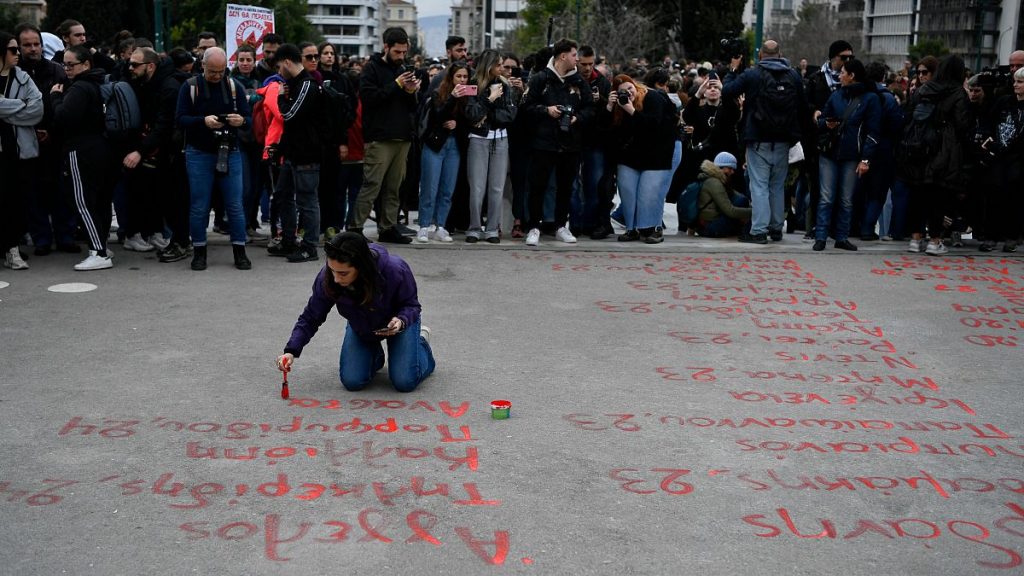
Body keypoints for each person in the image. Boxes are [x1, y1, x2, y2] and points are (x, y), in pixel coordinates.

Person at [277, 232, 435, 393]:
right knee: (352, 381)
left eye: (343, 273)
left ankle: (420, 343)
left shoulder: (395, 268)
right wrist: (291, 351)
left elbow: (412, 305)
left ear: (362, 267)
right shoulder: (328, 277)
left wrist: (401, 320)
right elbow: (311, 316)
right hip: (362, 326)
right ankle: (374, 356)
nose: (336, 278)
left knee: (404, 382)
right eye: (332, 270)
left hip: (400, 324)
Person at [722, 40, 808, 244]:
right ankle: (776, 228)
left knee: (759, 185)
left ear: (761, 55)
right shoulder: (793, 75)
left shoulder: (753, 74)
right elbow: (803, 106)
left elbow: (728, 91)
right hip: (784, 139)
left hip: (758, 138)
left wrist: (733, 70)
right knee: (777, 186)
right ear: (780, 54)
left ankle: (758, 230)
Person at [175, 46, 253, 271]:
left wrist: (240, 121)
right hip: (198, 152)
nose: (217, 76)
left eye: (221, 71)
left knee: (235, 205)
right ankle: (199, 251)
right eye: (212, 72)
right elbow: (180, 119)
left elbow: (249, 119)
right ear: (202, 66)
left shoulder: (234, 86)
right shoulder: (190, 87)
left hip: (230, 150)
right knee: (199, 205)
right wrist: (203, 121)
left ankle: (240, 251)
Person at [349, 28, 420, 244]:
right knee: (372, 185)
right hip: (379, 138)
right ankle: (355, 228)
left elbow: (411, 107)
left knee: (394, 188)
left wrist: (410, 91)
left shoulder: (404, 69)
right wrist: (397, 84)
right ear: (386, 47)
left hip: (402, 136)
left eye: (404, 52)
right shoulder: (371, 68)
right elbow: (370, 98)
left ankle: (388, 227)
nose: (401, 56)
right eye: (397, 52)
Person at [521, 38, 594, 246]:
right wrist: (547, 110)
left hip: (571, 143)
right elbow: (526, 107)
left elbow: (590, 109)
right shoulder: (540, 79)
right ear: (563, 56)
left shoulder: (579, 82)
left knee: (566, 187)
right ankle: (534, 227)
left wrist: (576, 118)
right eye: (573, 55)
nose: (577, 59)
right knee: (538, 186)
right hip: (543, 142)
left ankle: (561, 226)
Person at [14, 23, 78, 258]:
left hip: (55, 139)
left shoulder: (56, 71)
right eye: (27, 45)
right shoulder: (14, 73)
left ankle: (65, 236)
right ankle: (41, 238)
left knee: (61, 190)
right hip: (25, 139)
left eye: (36, 44)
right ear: (19, 47)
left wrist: (50, 130)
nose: (33, 49)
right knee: (33, 191)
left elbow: (63, 103)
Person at [898, 54, 970, 256]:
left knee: (917, 194)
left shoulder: (924, 89)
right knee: (939, 196)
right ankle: (935, 240)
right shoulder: (957, 93)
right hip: (943, 150)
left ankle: (915, 238)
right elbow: (963, 124)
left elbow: (910, 114)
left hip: (918, 146)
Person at [51, 44, 114, 270]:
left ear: (85, 64)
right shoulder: (96, 83)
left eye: (71, 64)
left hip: (80, 149)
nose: (66, 69)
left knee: (83, 201)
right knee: (99, 201)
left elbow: (64, 118)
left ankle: (98, 252)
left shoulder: (79, 88)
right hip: (99, 147)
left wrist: (56, 98)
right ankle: (101, 245)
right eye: (64, 64)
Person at [812, 58, 881, 252]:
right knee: (826, 197)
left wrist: (866, 159)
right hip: (830, 152)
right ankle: (821, 237)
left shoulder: (871, 99)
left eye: (842, 72)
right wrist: (826, 123)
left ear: (852, 76)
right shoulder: (836, 95)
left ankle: (841, 237)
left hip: (852, 155)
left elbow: (874, 131)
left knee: (846, 199)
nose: (839, 76)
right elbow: (821, 121)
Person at [607, 73, 678, 243]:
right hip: (631, 155)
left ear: (636, 85)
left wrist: (630, 110)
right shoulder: (618, 107)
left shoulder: (652, 97)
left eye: (630, 88)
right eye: (622, 91)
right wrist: (610, 106)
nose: (628, 93)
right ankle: (631, 229)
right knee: (627, 191)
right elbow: (610, 132)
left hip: (657, 153)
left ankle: (652, 228)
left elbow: (653, 126)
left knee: (649, 192)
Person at [463, 49, 517, 243]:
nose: (502, 68)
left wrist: (489, 115)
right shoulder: (472, 84)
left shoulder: (505, 85)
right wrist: (489, 99)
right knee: (477, 187)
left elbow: (511, 114)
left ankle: (493, 228)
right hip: (478, 139)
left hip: (501, 139)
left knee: (496, 187)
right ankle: (475, 227)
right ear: (489, 65)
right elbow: (471, 114)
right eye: (499, 64)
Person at [1, 30, 43, 270]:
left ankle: (12, 249)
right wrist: (20, 106)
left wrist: (6, 108)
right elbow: (27, 108)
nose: (18, 54)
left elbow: (36, 110)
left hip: (18, 152)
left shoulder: (23, 77)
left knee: (16, 202)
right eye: (13, 50)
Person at [417, 63, 470, 243]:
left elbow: (470, 121)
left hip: (455, 145)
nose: (462, 80)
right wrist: (452, 98)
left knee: (447, 189)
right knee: (429, 187)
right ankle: (424, 226)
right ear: (451, 78)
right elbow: (438, 116)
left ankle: (441, 225)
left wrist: (458, 124)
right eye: (459, 77)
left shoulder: (468, 96)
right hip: (435, 144)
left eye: (465, 77)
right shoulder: (438, 93)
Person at [979, 66, 1024, 252]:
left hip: (1019, 157)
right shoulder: (1004, 102)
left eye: (1020, 82)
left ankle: (1011, 236)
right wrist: (987, 139)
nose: (1016, 85)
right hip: (998, 154)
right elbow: (989, 122)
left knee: (1014, 196)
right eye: (1015, 81)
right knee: (994, 193)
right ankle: (991, 236)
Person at [694, 152, 752, 238]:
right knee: (741, 202)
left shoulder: (716, 179)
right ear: (720, 167)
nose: (732, 172)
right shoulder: (714, 183)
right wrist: (756, 212)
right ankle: (749, 231)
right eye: (730, 168)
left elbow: (737, 195)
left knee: (742, 200)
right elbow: (730, 211)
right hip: (710, 228)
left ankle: (746, 229)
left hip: (708, 225)